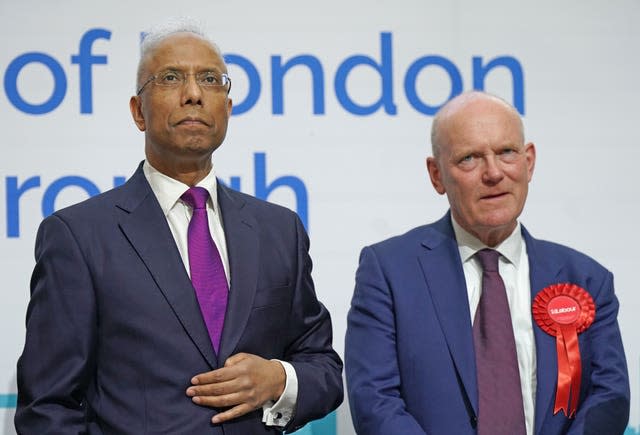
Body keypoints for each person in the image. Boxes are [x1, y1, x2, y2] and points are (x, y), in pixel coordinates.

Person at [15, 18, 342, 434]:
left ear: (228, 106)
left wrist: (279, 380)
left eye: (210, 80)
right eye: (171, 78)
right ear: (138, 111)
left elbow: (323, 368)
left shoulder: (280, 230)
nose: (193, 94)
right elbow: (48, 406)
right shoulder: (79, 236)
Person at [345, 91, 629, 435]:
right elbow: (375, 402)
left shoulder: (585, 279)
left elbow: (608, 397)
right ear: (436, 175)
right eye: (469, 159)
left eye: (506, 152)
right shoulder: (389, 271)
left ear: (529, 161)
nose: (493, 173)